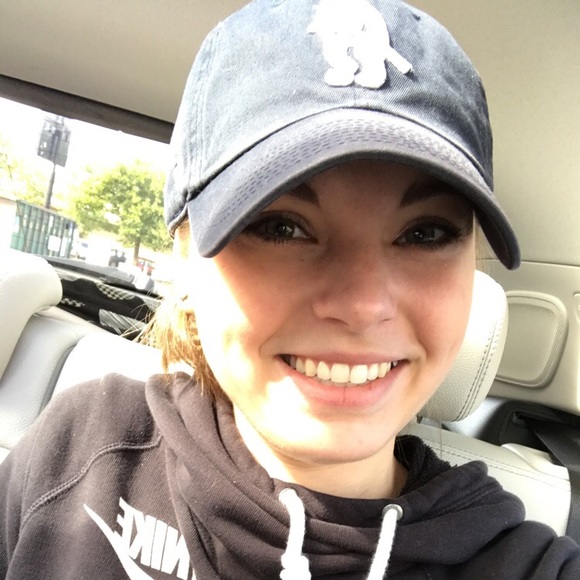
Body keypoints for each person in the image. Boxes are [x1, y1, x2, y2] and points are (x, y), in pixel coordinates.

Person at [1, 0, 579, 578]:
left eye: (424, 234)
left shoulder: (529, 566)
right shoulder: (83, 448)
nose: (362, 305)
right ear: (185, 261)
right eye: (281, 228)